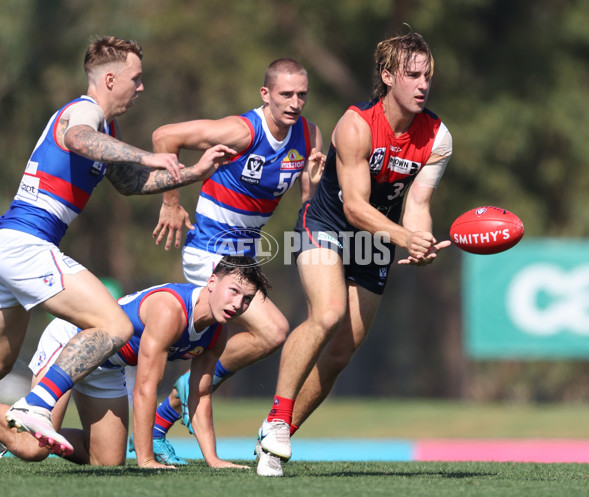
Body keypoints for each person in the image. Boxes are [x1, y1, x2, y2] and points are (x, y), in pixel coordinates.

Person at [0, 36, 236, 457]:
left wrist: (195, 172)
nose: (141, 87)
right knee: (115, 326)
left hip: (15, 247)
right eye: (136, 78)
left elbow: (128, 183)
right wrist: (147, 155)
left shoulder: (107, 127)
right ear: (110, 79)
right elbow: (77, 139)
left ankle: (29, 415)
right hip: (25, 242)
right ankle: (36, 404)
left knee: (5, 368)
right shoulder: (84, 111)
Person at [255, 31, 453, 476]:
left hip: (378, 239)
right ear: (387, 77)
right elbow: (354, 207)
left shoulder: (438, 137)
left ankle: (275, 435)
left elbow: (417, 206)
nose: (423, 84)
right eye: (412, 75)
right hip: (327, 225)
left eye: (428, 76)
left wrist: (420, 241)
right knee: (327, 315)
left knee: (342, 350)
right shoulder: (356, 125)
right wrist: (404, 237)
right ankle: (275, 422)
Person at [147, 58, 325, 459]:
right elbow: (164, 136)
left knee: (227, 344)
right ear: (265, 94)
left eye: (302, 94)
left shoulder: (310, 135)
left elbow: (308, 199)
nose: (295, 103)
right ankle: (181, 393)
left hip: (244, 260)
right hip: (208, 250)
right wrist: (171, 203)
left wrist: (312, 189)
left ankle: (167, 415)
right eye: (286, 94)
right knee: (275, 330)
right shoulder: (243, 130)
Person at [0, 255, 269, 469]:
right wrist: (146, 459)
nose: (238, 304)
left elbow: (199, 395)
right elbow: (144, 390)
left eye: (246, 299)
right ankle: (18, 430)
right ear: (212, 282)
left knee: (106, 461)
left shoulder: (216, 333)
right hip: (75, 343)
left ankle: (11, 428)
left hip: (108, 366)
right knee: (33, 449)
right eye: (233, 291)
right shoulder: (170, 310)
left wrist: (213, 459)